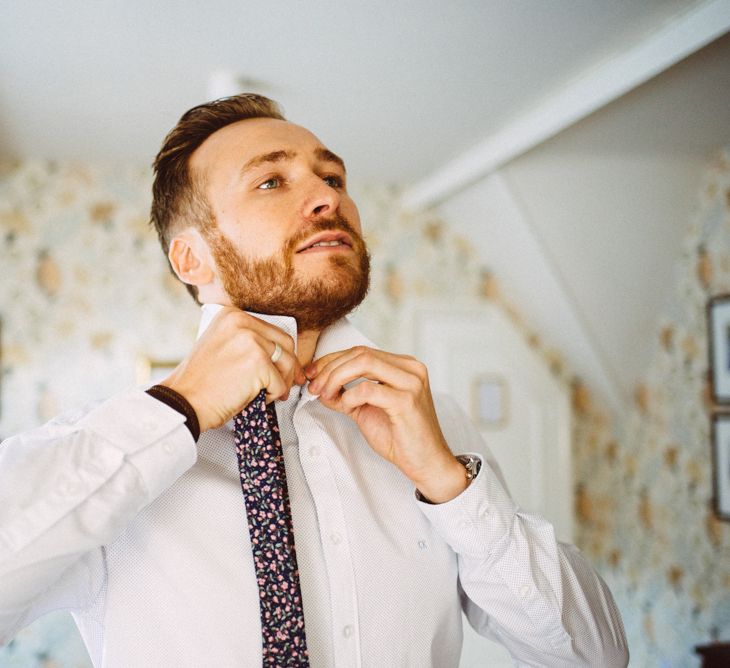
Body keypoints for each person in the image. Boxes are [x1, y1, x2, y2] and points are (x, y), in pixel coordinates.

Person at [0, 94, 628, 667]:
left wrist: (448, 484)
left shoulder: (431, 427)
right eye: (271, 181)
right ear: (192, 259)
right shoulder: (103, 454)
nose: (329, 197)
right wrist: (177, 408)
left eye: (332, 178)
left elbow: (595, 656)